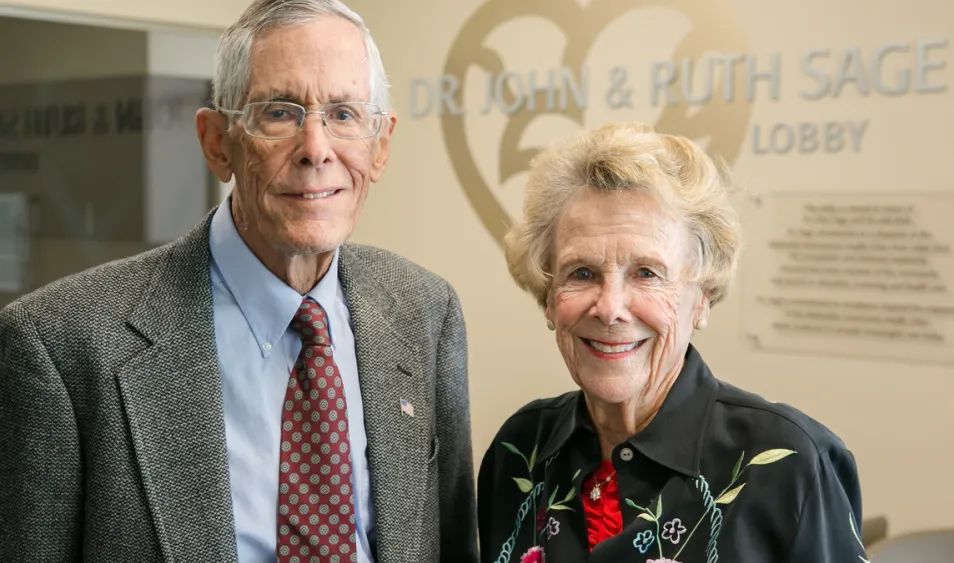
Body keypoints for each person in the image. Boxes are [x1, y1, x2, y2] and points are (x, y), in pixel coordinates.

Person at [0, 1, 478, 562]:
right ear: (217, 142)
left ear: (381, 145)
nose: (316, 149)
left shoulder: (425, 311)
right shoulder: (59, 345)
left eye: (345, 114)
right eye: (280, 112)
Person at [477, 122, 865, 563]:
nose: (610, 308)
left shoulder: (789, 464)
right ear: (548, 297)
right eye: (581, 273)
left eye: (646, 273)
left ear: (702, 298)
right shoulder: (519, 450)